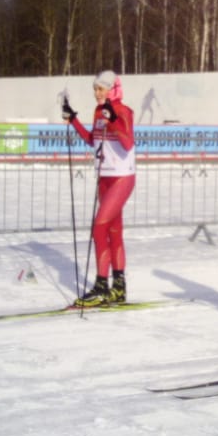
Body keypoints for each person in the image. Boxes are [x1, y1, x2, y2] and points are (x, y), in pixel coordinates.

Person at [63, 70, 136, 307]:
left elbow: (127, 142)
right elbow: (91, 139)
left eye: (101, 89)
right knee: (113, 231)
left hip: (121, 178)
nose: (97, 93)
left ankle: (102, 286)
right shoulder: (98, 111)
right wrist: (73, 120)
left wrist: (113, 119)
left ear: (113, 89)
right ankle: (119, 288)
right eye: (95, 89)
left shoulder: (124, 111)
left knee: (99, 227)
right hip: (104, 178)